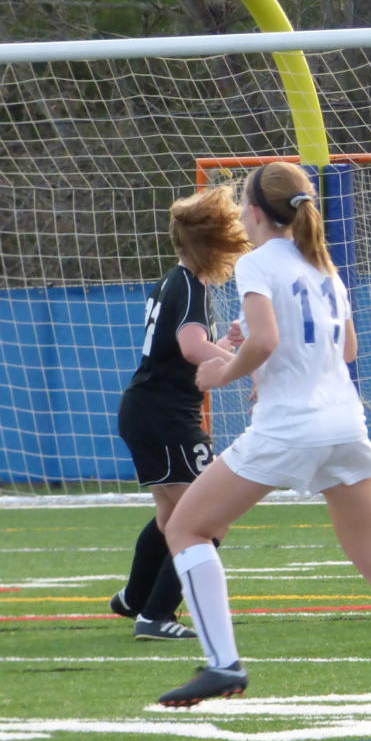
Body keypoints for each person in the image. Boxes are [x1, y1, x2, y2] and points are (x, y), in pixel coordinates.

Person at [159, 162, 371, 708]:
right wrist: (263, 353)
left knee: (187, 528)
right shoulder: (323, 267)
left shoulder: (257, 263)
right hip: (343, 424)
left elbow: (262, 342)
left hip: (292, 427)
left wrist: (225, 368)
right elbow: (345, 350)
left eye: (242, 205)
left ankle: (223, 665)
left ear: (256, 213)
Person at [112, 186, 247, 641]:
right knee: (210, 516)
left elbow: (182, 347)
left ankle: (134, 597)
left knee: (172, 517)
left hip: (145, 409)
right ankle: (156, 614)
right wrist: (241, 365)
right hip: (166, 415)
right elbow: (191, 349)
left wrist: (226, 345)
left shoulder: (172, 281)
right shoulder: (189, 285)